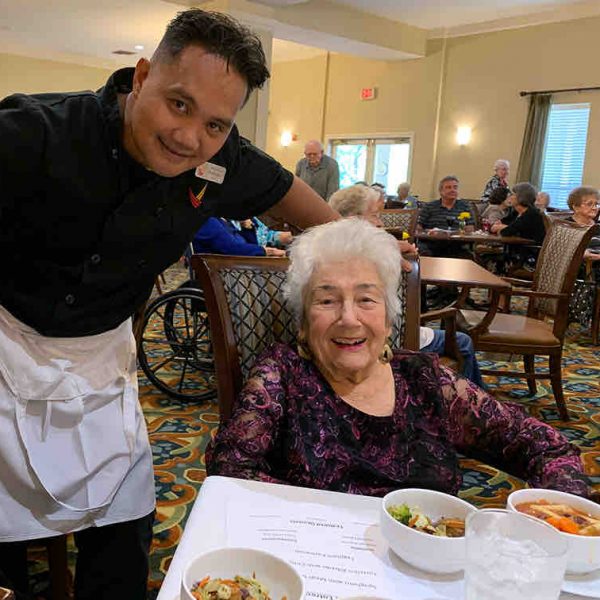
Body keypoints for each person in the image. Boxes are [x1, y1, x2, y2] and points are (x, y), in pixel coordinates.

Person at [0, 8, 338, 600]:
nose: (190, 138)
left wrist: (370, 261)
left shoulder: (223, 161)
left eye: (215, 124)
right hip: (5, 343)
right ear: (141, 75)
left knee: (124, 529)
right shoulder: (34, 131)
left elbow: (311, 213)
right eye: (178, 104)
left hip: (102, 362)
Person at [205, 219, 590, 499]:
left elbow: (547, 448)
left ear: (389, 320)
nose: (349, 318)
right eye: (326, 300)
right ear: (303, 323)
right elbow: (231, 471)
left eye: (367, 299)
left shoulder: (426, 381)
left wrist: (553, 522)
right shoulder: (281, 376)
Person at [329, 185, 484, 388]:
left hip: (349, 335)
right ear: (353, 219)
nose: (380, 223)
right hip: (389, 336)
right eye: (375, 216)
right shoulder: (373, 257)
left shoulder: (330, 249)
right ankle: (473, 407)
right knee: (463, 342)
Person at [490, 182, 546, 275]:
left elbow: (506, 231)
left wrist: (503, 227)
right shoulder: (516, 212)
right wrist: (504, 227)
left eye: (513, 194)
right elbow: (495, 226)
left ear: (521, 197)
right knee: (493, 258)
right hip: (516, 251)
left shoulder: (531, 214)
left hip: (530, 256)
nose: (510, 196)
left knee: (496, 260)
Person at [418, 175, 474, 258]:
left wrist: (456, 233)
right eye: (448, 187)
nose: (453, 190)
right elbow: (418, 227)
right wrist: (430, 232)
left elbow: (470, 229)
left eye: (455, 187)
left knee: (467, 256)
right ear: (441, 191)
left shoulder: (465, 206)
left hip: (457, 244)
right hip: (432, 244)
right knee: (423, 251)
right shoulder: (429, 206)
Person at [192, 217, 286, 256]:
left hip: (237, 269)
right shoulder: (208, 222)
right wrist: (268, 251)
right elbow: (232, 248)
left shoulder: (226, 220)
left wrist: (247, 228)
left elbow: (250, 245)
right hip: (223, 274)